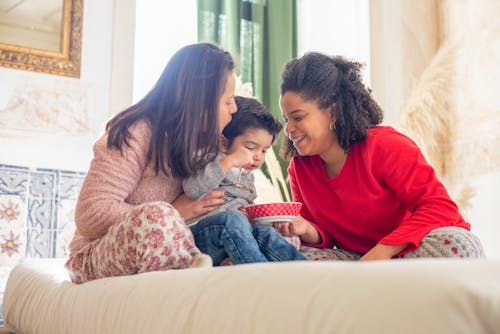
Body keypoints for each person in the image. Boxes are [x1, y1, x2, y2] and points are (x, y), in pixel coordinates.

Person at [274, 52, 485, 261]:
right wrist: (306, 228)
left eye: (298, 117)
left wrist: (384, 251)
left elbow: (439, 208)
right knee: (293, 255)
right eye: (286, 119)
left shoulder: (386, 146)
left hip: (409, 250)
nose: (289, 129)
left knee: (461, 245)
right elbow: (325, 237)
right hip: (360, 260)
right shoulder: (300, 168)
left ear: (333, 111)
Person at [65, 43, 238, 284]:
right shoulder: (134, 132)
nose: (234, 108)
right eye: (228, 101)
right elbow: (91, 213)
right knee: (157, 215)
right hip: (96, 255)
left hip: (173, 251)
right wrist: (174, 214)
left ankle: (195, 272)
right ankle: (189, 273)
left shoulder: (208, 146)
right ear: (201, 101)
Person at [182, 96, 306, 265]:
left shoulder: (247, 174)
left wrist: (252, 215)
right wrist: (229, 161)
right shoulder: (211, 158)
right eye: (250, 147)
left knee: (266, 233)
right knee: (233, 220)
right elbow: (192, 188)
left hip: (234, 235)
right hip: (201, 238)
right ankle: (261, 276)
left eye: (264, 151)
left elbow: (244, 206)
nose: (257, 157)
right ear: (223, 143)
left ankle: (306, 273)